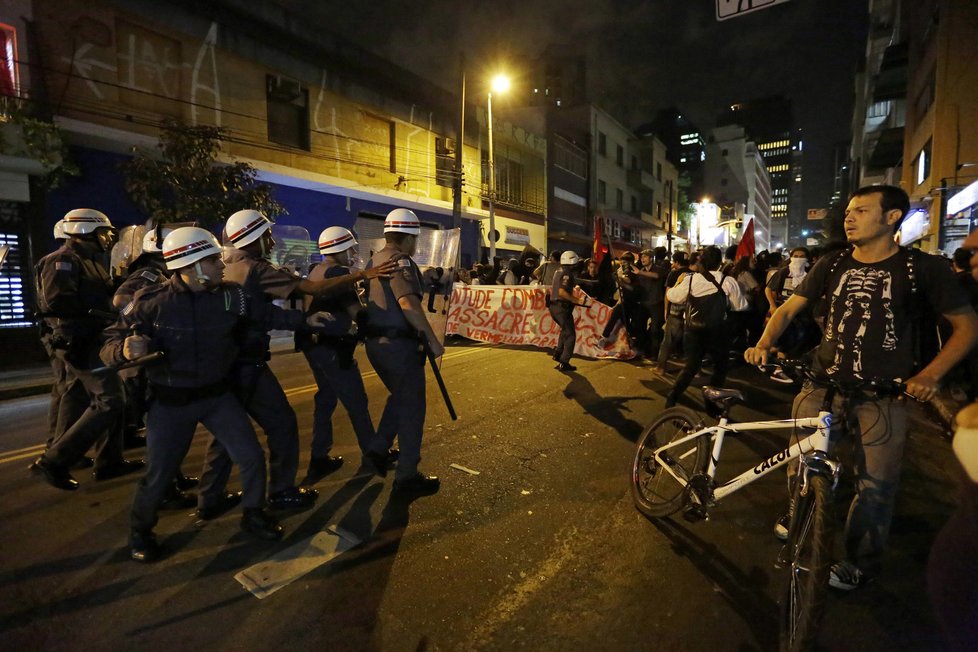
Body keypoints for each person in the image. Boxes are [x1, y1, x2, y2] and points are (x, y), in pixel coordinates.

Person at [745, 185, 978, 590]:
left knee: (877, 487)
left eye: (862, 211)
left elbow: (967, 326)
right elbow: (787, 310)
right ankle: (800, 514)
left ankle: (859, 562)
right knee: (802, 463)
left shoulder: (923, 268)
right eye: (849, 211)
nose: (849, 218)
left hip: (884, 395)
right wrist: (764, 342)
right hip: (821, 383)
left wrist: (930, 375)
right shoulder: (831, 264)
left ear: (892, 218)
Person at [102, 227, 286, 562]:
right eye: (212, 259)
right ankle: (140, 533)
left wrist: (312, 321)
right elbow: (111, 343)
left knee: (250, 456)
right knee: (159, 475)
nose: (221, 264)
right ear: (189, 265)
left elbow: (269, 315)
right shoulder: (150, 302)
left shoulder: (232, 295)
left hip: (218, 397)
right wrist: (124, 350)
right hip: (171, 403)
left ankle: (253, 514)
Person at [197, 209, 395, 516]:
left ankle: (209, 497)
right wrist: (363, 276)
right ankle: (282, 491)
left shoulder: (226, 265)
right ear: (252, 238)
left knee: (225, 430)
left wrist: (302, 321)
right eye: (266, 235)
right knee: (284, 423)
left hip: (226, 360)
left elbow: (262, 314)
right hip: (251, 361)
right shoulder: (259, 268)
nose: (272, 241)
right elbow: (313, 292)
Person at [30, 209, 143, 491]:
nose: (107, 239)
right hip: (78, 339)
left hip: (95, 338)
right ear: (83, 232)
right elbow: (58, 303)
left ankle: (109, 461)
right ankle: (54, 461)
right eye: (103, 233)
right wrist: (96, 315)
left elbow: (105, 295)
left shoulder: (91, 261)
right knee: (111, 399)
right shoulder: (62, 260)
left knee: (83, 396)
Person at [297, 226, 392, 479]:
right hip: (333, 348)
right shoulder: (339, 273)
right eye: (350, 248)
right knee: (357, 402)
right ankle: (373, 453)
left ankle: (319, 456)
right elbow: (355, 311)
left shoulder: (315, 270)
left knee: (326, 398)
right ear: (340, 249)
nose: (352, 253)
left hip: (313, 346)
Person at [363, 208, 443, 494]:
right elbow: (408, 303)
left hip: (378, 345)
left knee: (400, 398)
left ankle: (377, 449)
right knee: (412, 409)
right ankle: (407, 476)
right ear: (408, 238)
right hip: (398, 346)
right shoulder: (400, 261)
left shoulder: (377, 259)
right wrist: (433, 341)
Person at [664, 246, 747, 408]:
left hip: (693, 330)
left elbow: (673, 296)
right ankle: (711, 404)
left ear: (701, 262)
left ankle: (672, 397)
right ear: (719, 263)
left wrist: (679, 283)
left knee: (691, 366)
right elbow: (740, 306)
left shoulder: (690, 279)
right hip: (718, 331)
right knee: (720, 367)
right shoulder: (728, 281)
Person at [653, 251, 692, 374]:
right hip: (690, 311)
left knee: (667, 340)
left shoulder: (674, 274)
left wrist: (666, 310)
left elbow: (667, 294)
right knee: (689, 341)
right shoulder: (694, 274)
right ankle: (693, 369)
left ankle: (660, 367)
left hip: (675, 310)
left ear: (676, 262)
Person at [549, 250, 588, 372]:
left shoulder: (558, 271)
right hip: (561, 307)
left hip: (554, 307)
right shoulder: (567, 273)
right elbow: (561, 292)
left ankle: (558, 354)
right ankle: (564, 362)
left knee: (565, 331)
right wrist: (577, 300)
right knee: (571, 335)